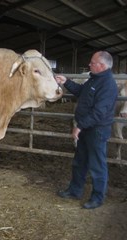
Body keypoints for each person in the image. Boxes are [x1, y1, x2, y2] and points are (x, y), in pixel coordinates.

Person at [55, 51, 118, 209]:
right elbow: (81, 91)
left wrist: (79, 126)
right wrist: (66, 81)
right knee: (79, 161)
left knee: (97, 165)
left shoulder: (108, 85)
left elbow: (99, 112)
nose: (89, 64)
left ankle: (97, 198)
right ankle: (75, 191)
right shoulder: (94, 79)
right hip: (86, 127)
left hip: (96, 130)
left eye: (92, 62)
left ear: (102, 66)